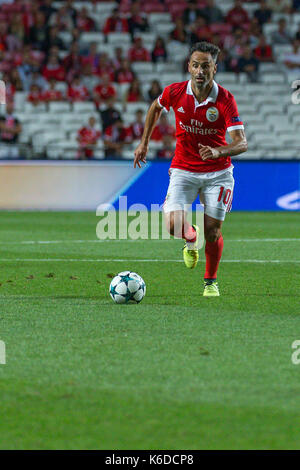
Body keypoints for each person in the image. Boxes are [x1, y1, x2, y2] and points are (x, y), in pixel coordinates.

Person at [133, 41, 248, 297]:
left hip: (218, 173)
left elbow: (242, 143)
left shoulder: (225, 100)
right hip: (184, 167)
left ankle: (210, 282)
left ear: (214, 68)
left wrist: (219, 150)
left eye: (205, 66)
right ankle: (190, 236)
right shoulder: (175, 92)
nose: (199, 71)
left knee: (214, 230)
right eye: (195, 65)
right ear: (189, 66)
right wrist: (144, 143)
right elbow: (155, 107)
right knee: (173, 225)